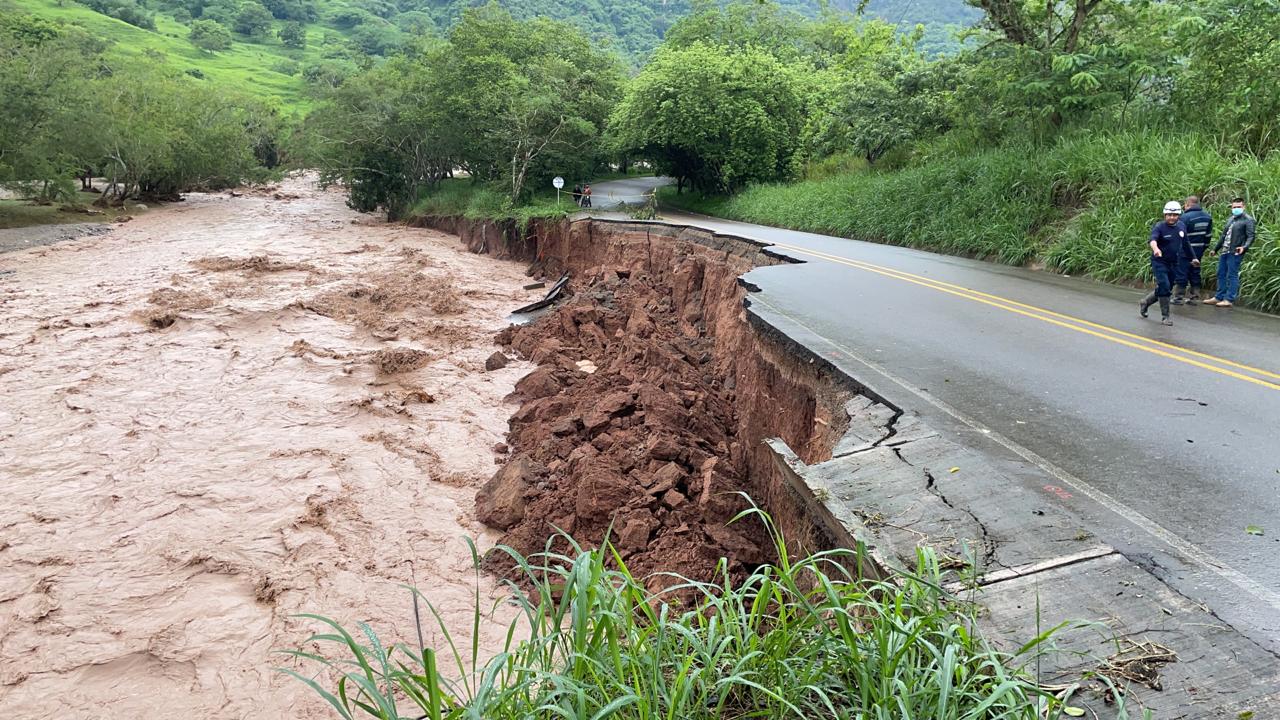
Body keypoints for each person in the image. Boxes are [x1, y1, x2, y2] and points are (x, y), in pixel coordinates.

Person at [1140, 201, 1192, 325]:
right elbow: (1153, 240)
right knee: (1164, 286)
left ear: (1178, 215)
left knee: (1167, 287)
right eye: (1169, 215)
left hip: (1173, 262)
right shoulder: (1159, 226)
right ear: (1165, 215)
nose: (1172, 217)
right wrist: (1156, 249)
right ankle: (1165, 317)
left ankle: (1146, 302)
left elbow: (1186, 244)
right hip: (1159, 262)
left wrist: (1193, 258)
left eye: (1174, 215)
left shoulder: (1181, 227)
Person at [1204, 197, 1257, 307]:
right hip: (1225, 250)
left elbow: (1251, 236)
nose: (1236, 209)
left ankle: (1229, 299)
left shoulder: (1248, 220)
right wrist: (1215, 249)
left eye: (1239, 207)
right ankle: (1219, 296)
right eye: (1234, 207)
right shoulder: (1231, 219)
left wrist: (1244, 247)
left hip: (1236, 250)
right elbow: (1224, 236)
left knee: (1232, 274)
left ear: (1244, 207)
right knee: (1221, 273)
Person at [1173, 195, 1211, 304]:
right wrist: (1204, 247)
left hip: (1185, 250)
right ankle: (1195, 297)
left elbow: (1179, 235)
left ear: (1188, 204)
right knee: (1195, 272)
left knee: (1182, 271)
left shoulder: (1185, 217)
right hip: (1199, 249)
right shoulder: (1207, 217)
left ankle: (1178, 297)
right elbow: (1208, 235)